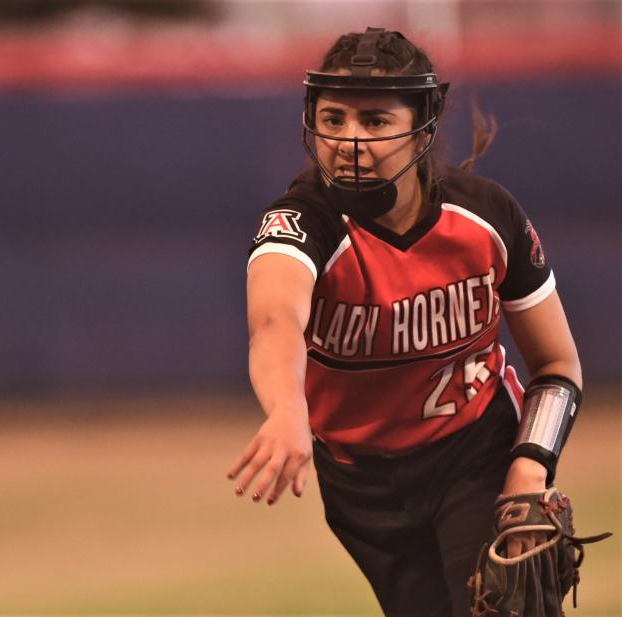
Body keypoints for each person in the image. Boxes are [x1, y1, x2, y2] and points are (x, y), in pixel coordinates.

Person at [227, 27, 584, 617]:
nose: (349, 140)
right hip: (364, 486)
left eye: (375, 121)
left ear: (422, 128)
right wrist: (287, 406)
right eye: (334, 118)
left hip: (476, 453)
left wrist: (530, 465)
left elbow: (557, 365)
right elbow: (274, 321)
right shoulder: (301, 222)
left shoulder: (486, 217)